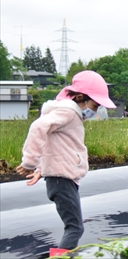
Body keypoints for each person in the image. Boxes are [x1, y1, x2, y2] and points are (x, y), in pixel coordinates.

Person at [15, 71, 116, 256]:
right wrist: (30, 161)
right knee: (75, 227)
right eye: (95, 105)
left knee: (74, 226)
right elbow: (38, 128)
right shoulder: (68, 112)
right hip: (61, 179)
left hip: (63, 178)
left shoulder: (71, 114)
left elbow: (52, 142)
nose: (96, 110)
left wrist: (40, 168)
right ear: (80, 97)